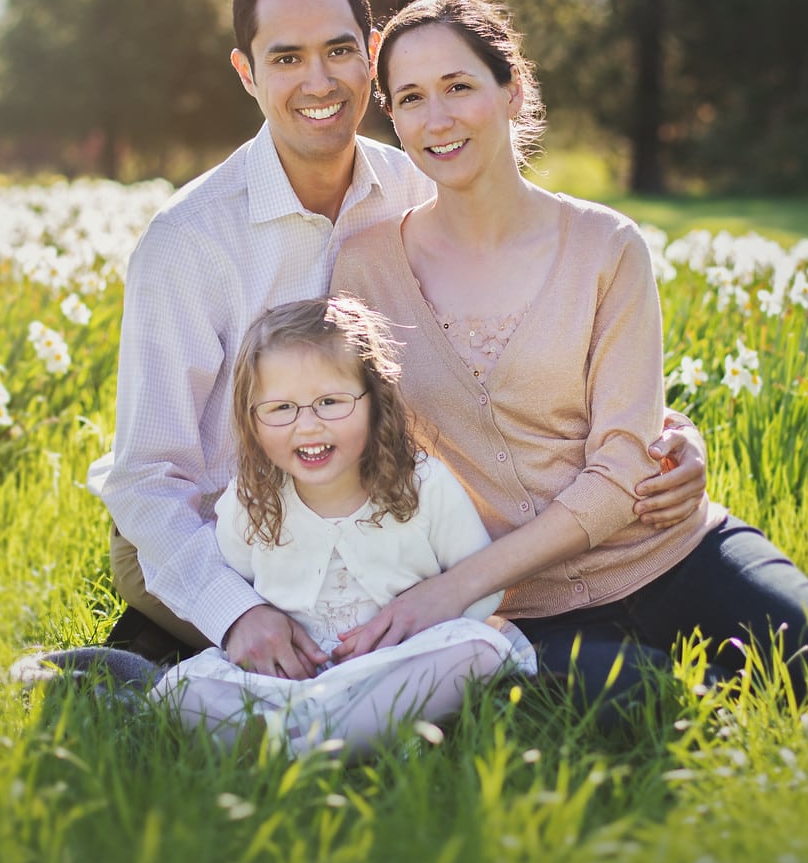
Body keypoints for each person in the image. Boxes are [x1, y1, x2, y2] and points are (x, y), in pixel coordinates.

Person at [329, 0, 808, 713]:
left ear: (511, 89)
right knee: (657, 708)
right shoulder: (364, 268)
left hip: (669, 552)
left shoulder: (607, 247)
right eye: (410, 98)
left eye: (459, 86)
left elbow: (620, 470)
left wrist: (455, 585)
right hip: (526, 611)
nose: (437, 118)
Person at [85, 0, 710, 681]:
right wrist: (234, 608)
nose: (318, 82)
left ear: (372, 55)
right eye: (286, 58)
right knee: (366, 669)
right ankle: (156, 670)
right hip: (224, 532)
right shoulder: (189, 241)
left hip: (370, 521)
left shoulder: (420, 183)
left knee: (401, 646)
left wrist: (662, 439)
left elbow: (530, 325)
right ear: (247, 73)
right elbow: (148, 477)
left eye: (340, 50)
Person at [147, 295, 532, 756]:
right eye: (281, 408)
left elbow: (480, 586)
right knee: (183, 691)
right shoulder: (251, 501)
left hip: (393, 668)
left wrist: (425, 636)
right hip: (289, 681)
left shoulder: (423, 485)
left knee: (477, 651)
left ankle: (308, 743)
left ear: (375, 402)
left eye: (330, 402)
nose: (307, 426)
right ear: (252, 419)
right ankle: (340, 737)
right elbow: (232, 577)